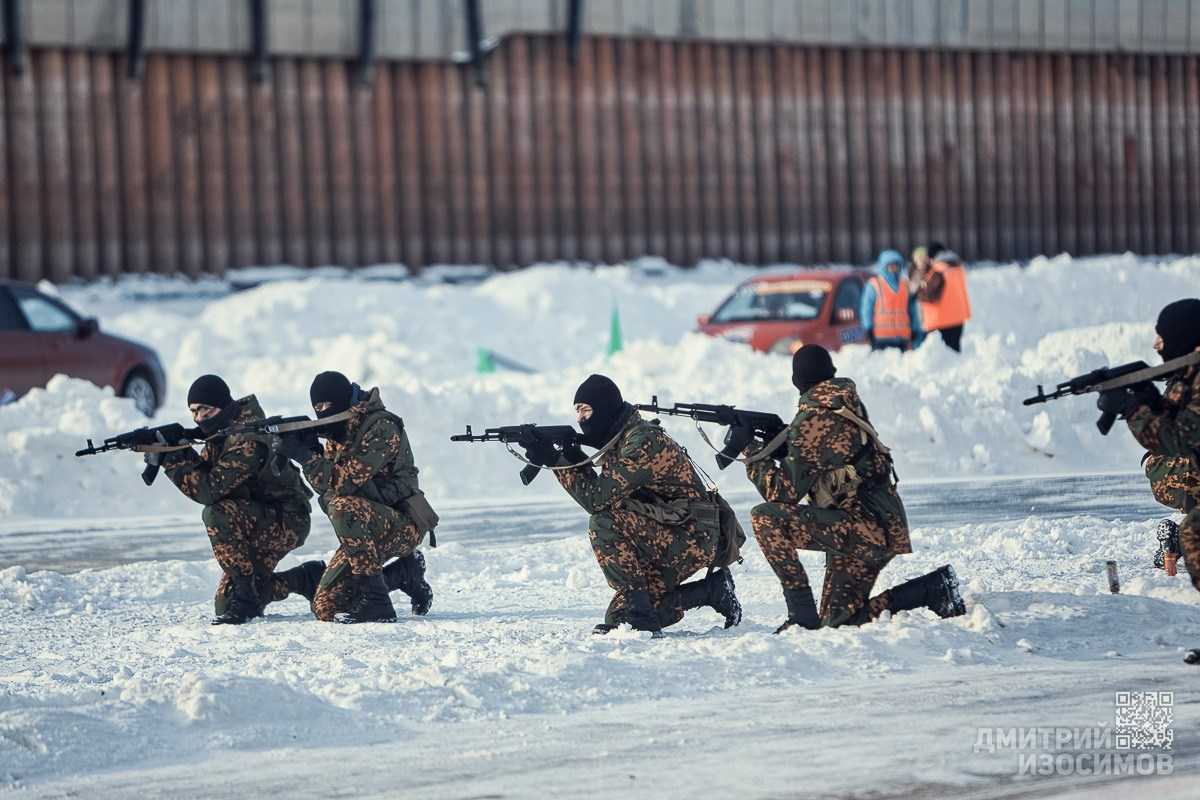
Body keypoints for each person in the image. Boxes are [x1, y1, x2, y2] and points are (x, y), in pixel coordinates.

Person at [728, 345, 966, 632]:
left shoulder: (815, 419)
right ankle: (931, 589)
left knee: (766, 517)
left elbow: (780, 494)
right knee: (838, 624)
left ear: (797, 382)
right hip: (872, 523)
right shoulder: (841, 403)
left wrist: (752, 451)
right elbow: (823, 456)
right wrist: (782, 447)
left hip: (864, 529)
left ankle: (801, 615)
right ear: (831, 374)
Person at [524, 374, 741, 636]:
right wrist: (571, 456)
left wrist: (555, 460)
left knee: (604, 522)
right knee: (618, 618)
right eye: (577, 411)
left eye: (585, 410)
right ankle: (713, 591)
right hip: (666, 532)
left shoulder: (643, 442)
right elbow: (607, 492)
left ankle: (642, 620)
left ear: (602, 410)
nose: (579, 418)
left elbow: (597, 499)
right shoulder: (621, 440)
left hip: (692, 537)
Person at [272, 371, 433, 624]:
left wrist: (306, 457)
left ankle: (377, 603)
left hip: (404, 524)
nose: (322, 411)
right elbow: (329, 491)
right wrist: (314, 450)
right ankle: (405, 572)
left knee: (342, 507)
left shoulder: (380, 427)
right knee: (325, 608)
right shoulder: (340, 432)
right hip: (368, 529)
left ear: (343, 400)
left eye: (327, 405)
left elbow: (344, 484)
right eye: (317, 407)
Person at [155, 374, 317, 625]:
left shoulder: (246, 439)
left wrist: (172, 461)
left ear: (221, 405)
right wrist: (180, 449)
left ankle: (247, 598)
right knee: (226, 604)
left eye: (204, 410)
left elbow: (210, 490)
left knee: (215, 512)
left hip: (287, 520)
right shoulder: (225, 429)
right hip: (256, 518)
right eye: (194, 413)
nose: (199, 419)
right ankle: (303, 579)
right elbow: (208, 470)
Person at [1097, 299, 1200, 664]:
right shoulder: (1189, 374)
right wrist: (1145, 397)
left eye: (1163, 336)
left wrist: (1133, 409)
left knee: (1194, 532)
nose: (1157, 344)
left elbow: (1176, 439)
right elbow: (1172, 424)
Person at [859, 249, 922, 352]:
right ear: (884, 266)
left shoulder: (905, 286)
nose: (894, 268)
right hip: (880, 339)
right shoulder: (874, 285)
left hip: (902, 338)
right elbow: (866, 309)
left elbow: (913, 309)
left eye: (896, 265)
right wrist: (868, 328)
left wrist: (915, 328)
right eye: (891, 265)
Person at [912, 245, 971, 352]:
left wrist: (918, 292)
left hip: (941, 322)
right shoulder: (958, 267)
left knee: (941, 358)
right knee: (954, 354)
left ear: (932, 257)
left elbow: (931, 295)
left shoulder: (939, 270)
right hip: (958, 319)